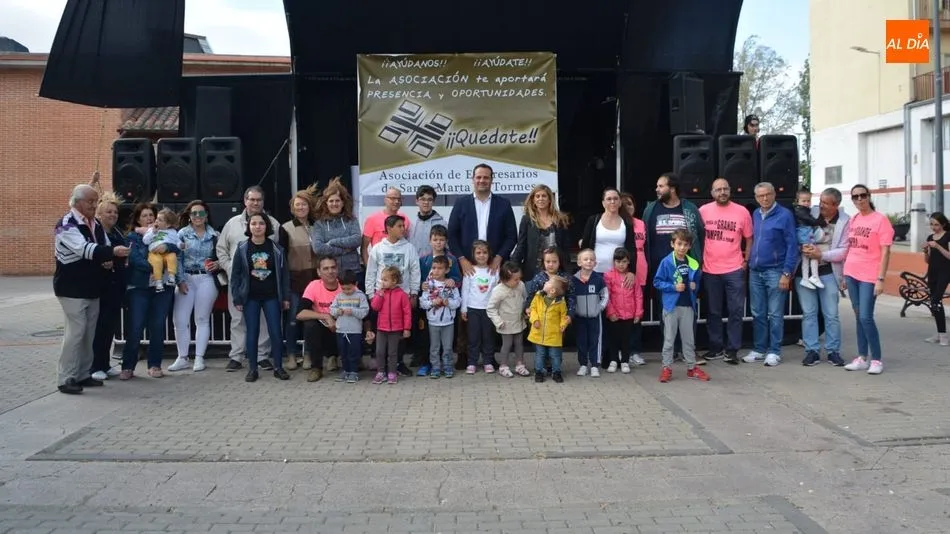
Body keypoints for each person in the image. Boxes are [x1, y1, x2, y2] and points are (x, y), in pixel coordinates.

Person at [54, 184, 128, 394]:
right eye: (91, 201)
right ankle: (66, 378)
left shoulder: (94, 223)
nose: (94, 205)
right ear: (77, 202)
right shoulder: (66, 224)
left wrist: (108, 256)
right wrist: (111, 253)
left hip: (93, 287)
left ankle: (84, 374)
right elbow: (84, 249)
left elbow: (104, 245)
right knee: (75, 333)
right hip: (72, 288)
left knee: (89, 333)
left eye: (95, 201)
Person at [217, 186, 281, 373]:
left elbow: (277, 252)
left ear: (263, 202)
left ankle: (262, 356)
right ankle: (236, 356)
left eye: (258, 200)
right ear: (245, 201)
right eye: (252, 199)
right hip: (239, 281)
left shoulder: (273, 224)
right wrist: (230, 268)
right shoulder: (232, 223)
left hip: (265, 281)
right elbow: (221, 249)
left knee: (263, 321)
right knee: (237, 319)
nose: (255, 203)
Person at [643, 173, 704, 362]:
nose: (657, 189)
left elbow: (699, 235)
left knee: (688, 310)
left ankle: (688, 351)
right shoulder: (651, 209)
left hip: (686, 269)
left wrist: (697, 265)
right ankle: (671, 352)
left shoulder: (689, 209)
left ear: (672, 188)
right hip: (662, 270)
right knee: (666, 311)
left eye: (661, 186)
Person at [230, 213, 292, 383]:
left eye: (261, 223)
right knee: (252, 332)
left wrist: (285, 297)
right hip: (250, 297)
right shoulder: (242, 248)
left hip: (272, 296)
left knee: (275, 332)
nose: (257, 227)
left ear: (267, 226)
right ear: (249, 227)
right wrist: (237, 298)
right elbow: (235, 275)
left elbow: (284, 275)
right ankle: (252, 368)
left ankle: (278, 367)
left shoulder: (277, 249)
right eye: (254, 224)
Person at [697, 178, 753, 364]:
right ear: (712, 193)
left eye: (725, 189)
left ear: (730, 190)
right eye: (718, 189)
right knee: (713, 312)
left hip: (734, 269)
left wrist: (746, 260)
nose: (722, 192)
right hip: (710, 269)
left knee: (735, 311)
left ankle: (732, 350)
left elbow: (749, 238)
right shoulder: (703, 211)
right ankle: (716, 348)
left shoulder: (742, 211)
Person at [743, 182, 798, 367]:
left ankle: (774, 351)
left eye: (768, 194)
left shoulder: (785, 215)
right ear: (756, 197)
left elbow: (792, 245)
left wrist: (786, 273)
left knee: (775, 314)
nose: (764, 198)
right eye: (760, 196)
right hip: (756, 271)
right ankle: (759, 349)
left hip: (776, 270)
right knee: (758, 313)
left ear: (774, 194)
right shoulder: (755, 214)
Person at [842, 184, 893, 375]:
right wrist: (844, 274)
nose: (859, 199)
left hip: (870, 275)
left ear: (869, 196)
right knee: (858, 316)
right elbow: (850, 247)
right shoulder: (854, 219)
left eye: (862, 195)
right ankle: (862, 357)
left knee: (866, 316)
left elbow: (886, 251)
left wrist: (881, 278)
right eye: (855, 197)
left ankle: (876, 359)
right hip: (851, 272)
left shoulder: (881, 220)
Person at [120, 203, 175, 380]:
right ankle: (128, 366)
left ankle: (155, 365)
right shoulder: (133, 237)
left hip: (162, 288)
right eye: (144, 216)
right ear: (138, 219)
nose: (149, 218)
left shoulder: (166, 232)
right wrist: (154, 268)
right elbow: (135, 258)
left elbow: (177, 247)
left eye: (152, 215)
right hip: (140, 287)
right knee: (136, 327)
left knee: (157, 327)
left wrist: (169, 248)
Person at [798, 188, 850, 367]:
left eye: (826, 203)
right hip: (804, 273)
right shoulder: (810, 212)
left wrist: (821, 255)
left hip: (828, 272)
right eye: (820, 201)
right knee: (809, 314)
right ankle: (811, 351)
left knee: (831, 314)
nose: (821, 206)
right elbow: (796, 232)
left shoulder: (845, 221)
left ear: (836, 205)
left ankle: (833, 351)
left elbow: (844, 250)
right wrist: (801, 247)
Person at [364, 215, 421, 376]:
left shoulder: (409, 248)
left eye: (404, 226)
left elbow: (415, 271)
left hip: (402, 297)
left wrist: (414, 293)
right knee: (382, 331)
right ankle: (381, 365)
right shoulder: (378, 248)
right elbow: (371, 272)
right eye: (399, 226)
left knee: (400, 332)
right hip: (382, 298)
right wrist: (371, 294)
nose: (403, 228)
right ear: (389, 228)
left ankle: (399, 363)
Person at [169, 200, 220, 373]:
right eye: (194, 213)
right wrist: (180, 280)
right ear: (189, 216)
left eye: (201, 213)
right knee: (180, 319)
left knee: (202, 319)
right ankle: (182, 357)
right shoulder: (182, 234)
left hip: (206, 278)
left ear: (207, 215)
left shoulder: (214, 235)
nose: (198, 216)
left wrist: (218, 264)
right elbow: (176, 258)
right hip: (186, 278)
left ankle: (199, 357)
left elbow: (222, 255)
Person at [654, 229, 710, 383]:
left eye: (685, 244)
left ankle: (692, 368)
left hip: (687, 306)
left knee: (689, 339)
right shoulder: (666, 262)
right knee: (669, 339)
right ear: (672, 244)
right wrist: (673, 287)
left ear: (690, 246)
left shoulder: (693, 263)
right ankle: (666, 367)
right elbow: (657, 282)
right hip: (671, 306)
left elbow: (696, 283)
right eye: (679, 244)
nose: (682, 247)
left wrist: (694, 287)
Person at [447, 163, 518, 276]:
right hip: (467, 267)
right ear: (473, 179)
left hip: (495, 267)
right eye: (478, 177)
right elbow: (452, 235)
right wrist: (461, 259)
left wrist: (499, 257)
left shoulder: (504, 204)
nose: (482, 180)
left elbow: (511, 236)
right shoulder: (461, 203)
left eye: (486, 177)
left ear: (491, 180)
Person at [279, 185, 320, 371]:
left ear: (309, 206)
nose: (301, 207)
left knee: (310, 321)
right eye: (297, 205)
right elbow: (282, 259)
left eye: (304, 204)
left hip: (314, 281)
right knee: (293, 320)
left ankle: (308, 355)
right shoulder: (285, 228)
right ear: (292, 208)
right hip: (295, 281)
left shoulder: (317, 227)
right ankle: (291, 355)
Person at [90, 191, 127, 381]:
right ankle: (95, 365)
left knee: (110, 326)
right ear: (99, 214)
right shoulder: (95, 233)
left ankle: (105, 363)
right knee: (100, 327)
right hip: (101, 285)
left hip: (116, 284)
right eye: (109, 212)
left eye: (115, 212)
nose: (113, 215)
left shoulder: (117, 232)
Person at [511, 184, 571, 282]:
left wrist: (567, 270)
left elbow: (565, 247)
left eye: (544, 196)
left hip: (556, 271)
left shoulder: (560, 220)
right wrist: (512, 266)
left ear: (549, 199)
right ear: (533, 200)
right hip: (533, 272)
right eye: (537, 196)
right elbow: (521, 245)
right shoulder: (527, 220)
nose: (541, 199)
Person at [296, 255, 342, 382]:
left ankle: (350, 362)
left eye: (333, 267)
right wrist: (326, 316)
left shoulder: (345, 285)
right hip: (323, 327)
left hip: (343, 326)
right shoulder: (314, 286)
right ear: (318, 272)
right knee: (310, 325)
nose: (330, 271)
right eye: (325, 268)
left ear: (338, 269)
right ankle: (316, 368)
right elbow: (300, 313)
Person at [311, 177, 362, 289]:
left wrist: (334, 241)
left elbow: (357, 239)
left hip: (352, 272)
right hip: (330, 275)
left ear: (343, 203)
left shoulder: (352, 220)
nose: (334, 204)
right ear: (326, 203)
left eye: (337, 201)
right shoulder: (319, 224)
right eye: (331, 201)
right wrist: (344, 250)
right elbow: (318, 248)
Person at [460, 240, 500, 374]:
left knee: (488, 337)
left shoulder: (494, 271)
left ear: (489, 254)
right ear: (473, 254)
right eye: (478, 253)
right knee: (473, 337)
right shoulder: (470, 270)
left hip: (489, 310)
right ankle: (472, 362)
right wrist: (464, 309)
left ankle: (488, 361)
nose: (481, 255)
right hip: (473, 309)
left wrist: (497, 308)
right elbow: (465, 290)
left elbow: (497, 291)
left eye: (484, 252)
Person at [419, 256, 462, 379]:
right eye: (434, 268)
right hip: (433, 322)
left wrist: (449, 303)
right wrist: (432, 303)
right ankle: (436, 367)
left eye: (440, 268)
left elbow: (458, 301)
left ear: (447, 270)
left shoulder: (451, 285)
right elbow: (422, 302)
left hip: (448, 322)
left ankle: (448, 366)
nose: (436, 271)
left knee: (447, 347)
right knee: (434, 347)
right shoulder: (428, 285)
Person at [486, 261, 530, 378]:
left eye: (519, 278)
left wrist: (526, 311)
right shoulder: (498, 290)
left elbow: (525, 299)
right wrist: (498, 322)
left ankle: (520, 364)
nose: (518, 281)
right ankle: (503, 366)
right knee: (507, 344)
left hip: (519, 321)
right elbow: (491, 308)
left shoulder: (521, 285)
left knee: (519, 344)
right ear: (505, 279)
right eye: (515, 279)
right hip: (505, 323)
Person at [603, 248, 642, 374]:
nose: (621, 264)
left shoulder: (632, 277)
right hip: (614, 315)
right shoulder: (608, 276)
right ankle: (613, 360)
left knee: (626, 339)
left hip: (629, 314)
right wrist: (610, 312)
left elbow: (638, 295)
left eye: (624, 261)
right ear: (614, 262)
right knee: (613, 339)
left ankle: (625, 361)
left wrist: (638, 313)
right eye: (618, 261)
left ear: (628, 262)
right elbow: (606, 296)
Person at [370, 266, 411, 385]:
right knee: (379, 351)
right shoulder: (380, 293)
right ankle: (381, 372)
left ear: (394, 281)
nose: (382, 282)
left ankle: (392, 372)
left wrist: (407, 328)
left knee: (392, 352)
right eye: (382, 279)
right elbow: (375, 307)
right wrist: (380, 295)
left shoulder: (402, 295)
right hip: (381, 328)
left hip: (395, 329)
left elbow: (407, 312)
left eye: (385, 280)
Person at [328, 270, 370, 383]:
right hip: (341, 330)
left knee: (353, 352)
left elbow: (364, 311)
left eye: (349, 289)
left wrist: (353, 311)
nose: (346, 291)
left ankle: (354, 372)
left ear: (355, 284)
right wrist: (338, 311)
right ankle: (345, 370)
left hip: (355, 331)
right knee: (343, 352)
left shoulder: (360, 296)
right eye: (344, 288)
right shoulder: (338, 296)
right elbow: (331, 310)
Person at [572, 249, 608, 377]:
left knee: (595, 341)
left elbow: (605, 296)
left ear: (595, 263)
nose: (589, 261)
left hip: (594, 317)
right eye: (586, 259)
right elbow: (571, 297)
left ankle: (594, 365)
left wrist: (599, 308)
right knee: (581, 341)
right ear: (579, 262)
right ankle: (583, 365)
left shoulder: (599, 279)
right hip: (580, 317)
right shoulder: (573, 280)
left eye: (592, 259)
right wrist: (574, 310)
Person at [620, 192, 647, 362]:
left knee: (637, 312)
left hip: (641, 271)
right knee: (623, 314)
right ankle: (622, 350)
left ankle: (635, 351)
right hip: (623, 272)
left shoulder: (641, 223)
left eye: (630, 203)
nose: (627, 207)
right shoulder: (618, 224)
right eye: (624, 204)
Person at [528, 276, 570, 384]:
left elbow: (563, 316)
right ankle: (539, 372)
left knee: (555, 355)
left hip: (554, 334)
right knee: (540, 354)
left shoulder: (561, 302)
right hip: (539, 333)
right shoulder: (538, 296)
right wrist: (534, 320)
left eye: (548, 282)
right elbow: (533, 309)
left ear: (552, 290)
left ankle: (556, 372)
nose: (545, 282)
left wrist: (563, 324)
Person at [362, 187, 411, 265]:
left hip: (400, 265)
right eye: (393, 198)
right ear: (385, 200)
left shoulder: (404, 218)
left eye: (399, 199)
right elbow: (364, 248)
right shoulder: (372, 219)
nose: (396, 201)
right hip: (379, 265)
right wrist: (369, 268)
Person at [923, 212, 950, 346]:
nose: (934, 227)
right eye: (931, 224)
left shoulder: (948, 236)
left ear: (943, 224)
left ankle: (943, 336)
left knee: (936, 300)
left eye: (937, 224)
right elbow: (928, 260)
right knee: (934, 303)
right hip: (932, 272)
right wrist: (925, 250)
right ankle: (940, 333)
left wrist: (938, 246)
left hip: (945, 272)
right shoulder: (930, 237)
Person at [794, 189, 828, 289]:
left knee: (805, 258)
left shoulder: (801, 210)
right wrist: (822, 223)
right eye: (803, 201)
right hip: (805, 234)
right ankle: (814, 276)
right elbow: (810, 220)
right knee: (813, 254)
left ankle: (805, 278)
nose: (806, 203)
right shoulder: (800, 210)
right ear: (797, 201)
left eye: (808, 201)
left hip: (804, 233)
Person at [142, 208, 181, 291]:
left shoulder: (172, 232)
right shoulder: (151, 230)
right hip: (154, 253)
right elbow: (145, 241)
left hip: (167, 253)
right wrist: (153, 232)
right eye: (157, 218)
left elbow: (177, 241)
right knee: (157, 262)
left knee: (172, 256)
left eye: (160, 220)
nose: (156, 221)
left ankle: (171, 277)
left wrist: (181, 245)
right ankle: (158, 282)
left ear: (167, 225)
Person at [408, 185, 445, 258]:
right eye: (423, 199)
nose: (426, 202)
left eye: (429, 199)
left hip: (435, 264)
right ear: (417, 201)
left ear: (433, 202)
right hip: (415, 264)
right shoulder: (411, 224)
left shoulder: (442, 223)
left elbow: (446, 248)